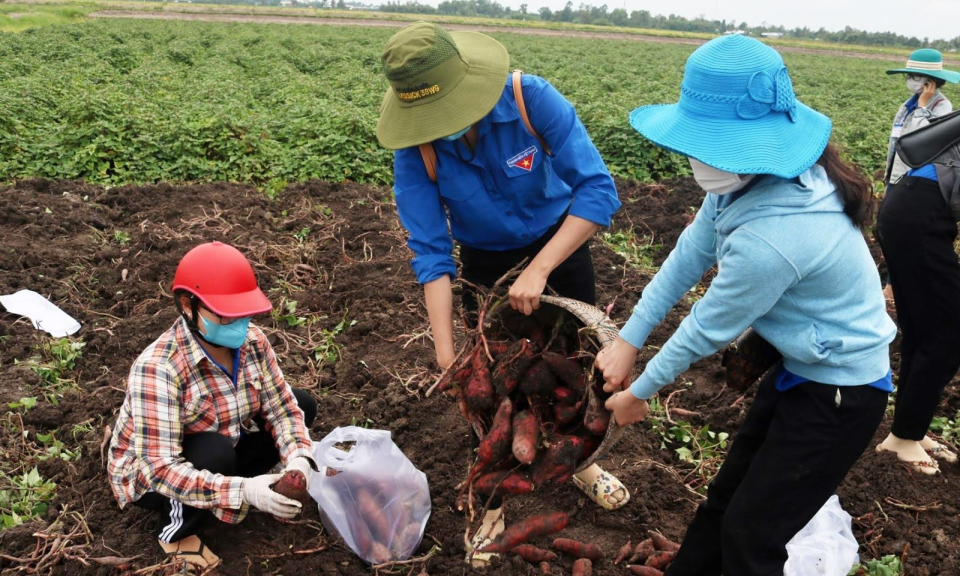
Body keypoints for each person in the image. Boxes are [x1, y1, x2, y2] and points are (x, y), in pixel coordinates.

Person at [595, 35, 896, 576]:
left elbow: (706, 325)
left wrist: (640, 392)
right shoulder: (743, 182)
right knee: (724, 502)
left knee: (751, 536)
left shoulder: (777, 237)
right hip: (801, 369)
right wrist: (627, 338)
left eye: (713, 144)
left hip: (840, 395)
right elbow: (689, 255)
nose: (699, 157)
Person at [374, 21, 624, 563]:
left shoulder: (529, 99)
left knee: (576, 369)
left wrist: (540, 267)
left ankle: (582, 462)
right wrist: (446, 351)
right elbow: (431, 251)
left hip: (561, 243)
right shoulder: (417, 150)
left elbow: (598, 191)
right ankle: (490, 496)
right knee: (491, 388)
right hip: (485, 264)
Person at [107, 242, 318, 570]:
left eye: (243, 312)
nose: (239, 323)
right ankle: (175, 533)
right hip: (152, 473)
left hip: (223, 440)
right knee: (213, 453)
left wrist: (299, 461)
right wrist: (244, 490)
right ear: (187, 306)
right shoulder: (160, 368)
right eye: (225, 314)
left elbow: (283, 408)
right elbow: (159, 469)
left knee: (303, 404)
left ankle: (238, 487)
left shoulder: (254, 343)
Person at [875, 52, 960, 474]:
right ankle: (904, 437)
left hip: (906, 210)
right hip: (917, 216)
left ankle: (910, 430)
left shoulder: (944, 111)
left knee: (927, 333)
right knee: (947, 335)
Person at [880, 49, 958, 300]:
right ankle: (892, 286)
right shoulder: (906, 105)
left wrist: (924, 106)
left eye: (915, 76)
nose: (910, 81)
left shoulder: (941, 107)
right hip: (897, 176)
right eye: (910, 75)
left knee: (904, 237)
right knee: (888, 232)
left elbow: (919, 144)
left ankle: (896, 290)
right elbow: (896, 144)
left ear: (929, 81)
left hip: (916, 183)